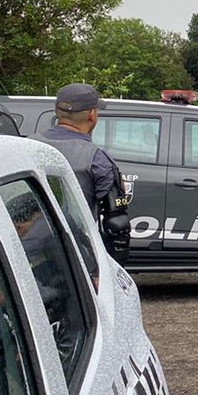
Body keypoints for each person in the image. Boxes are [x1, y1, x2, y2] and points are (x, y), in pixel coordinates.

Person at [31, 82, 130, 262]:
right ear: (92, 115)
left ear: (56, 111)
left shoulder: (26, 145)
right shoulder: (98, 160)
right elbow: (117, 225)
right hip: (72, 261)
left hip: (20, 256)